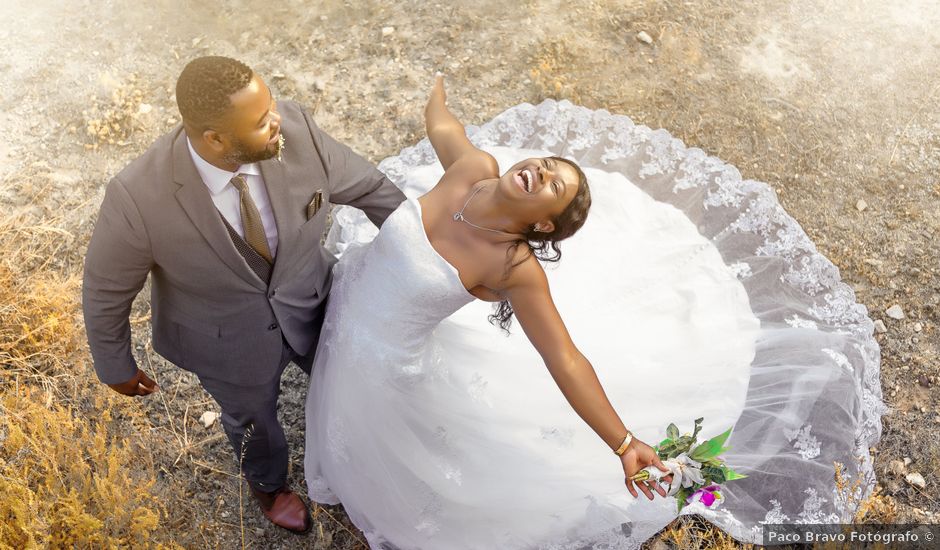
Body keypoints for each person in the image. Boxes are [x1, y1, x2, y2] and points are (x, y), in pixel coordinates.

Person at [305, 76, 884, 549]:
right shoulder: (472, 170)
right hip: (352, 302)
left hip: (387, 367)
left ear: (541, 225)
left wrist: (623, 442)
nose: (540, 169)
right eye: (546, 164)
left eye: (551, 185)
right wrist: (435, 98)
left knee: (391, 455)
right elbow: (445, 132)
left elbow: (565, 358)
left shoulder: (513, 268)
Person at [82, 56, 405, 534]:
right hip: (222, 339)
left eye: (271, 107)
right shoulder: (136, 196)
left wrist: (424, 257)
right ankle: (269, 487)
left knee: (351, 379)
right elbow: (106, 287)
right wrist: (115, 364)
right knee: (253, 421)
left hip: (313, 302)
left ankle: (364, 456)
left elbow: (374, 191)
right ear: (215, 139)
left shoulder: (297, 131)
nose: (277, 122)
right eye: (260, 122)